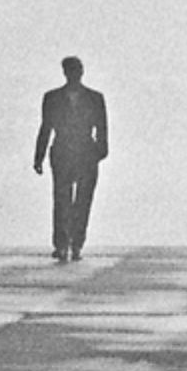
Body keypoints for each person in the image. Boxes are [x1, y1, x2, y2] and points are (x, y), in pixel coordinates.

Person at [33, 56, 108, 262]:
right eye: (72, 69)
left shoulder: (95, 98)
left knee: (83, 201)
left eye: (78, 69)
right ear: (65, 72)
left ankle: (76, 244)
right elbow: (46, 127)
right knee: (62, 200)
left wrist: (100, 151)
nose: (75, 73)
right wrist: (38, 156)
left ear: (81, 71)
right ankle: (62, 244)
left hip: (86, 152)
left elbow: (102, 127)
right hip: (62, 152)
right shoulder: (52, 98)